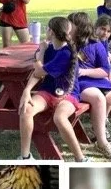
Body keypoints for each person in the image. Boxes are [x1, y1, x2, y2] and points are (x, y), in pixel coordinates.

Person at [17, 17, 88, 162]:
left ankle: (81, 159)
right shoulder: (50, 48)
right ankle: (25, 157)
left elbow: (39, 70)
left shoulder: (65, 53)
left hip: (68, 94)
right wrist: (27, 91)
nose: (46, 31)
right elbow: (37, 74)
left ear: (52, 32)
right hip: (48, 92)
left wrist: (42, 51)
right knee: (26, 109)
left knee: (60, 118)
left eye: (47, 28)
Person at [68, 11, 111, 158]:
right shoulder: (67, 44)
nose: (68, 27)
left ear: (79, 27)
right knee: (98, 98)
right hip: (80, 84)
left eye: (70, 24)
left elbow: (105, 70)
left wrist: (85, 72)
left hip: (98, 81)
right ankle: (102, 143)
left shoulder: (95, 44)